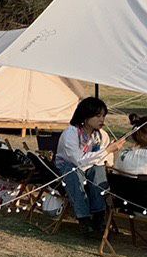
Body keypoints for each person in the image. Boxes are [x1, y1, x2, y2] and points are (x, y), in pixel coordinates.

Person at [54, 98, 126, 238]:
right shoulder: (71, 134)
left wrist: (108, 154)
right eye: (98, 116)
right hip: (68, 167)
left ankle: (99, 217)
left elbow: (103, 160)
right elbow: (78, 161)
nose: (102, 120)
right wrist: (107, 150)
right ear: (86, 116)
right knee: (73, 172)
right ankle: (84, 219)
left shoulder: (102, 135)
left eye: (103, 116)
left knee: (98, 170)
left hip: (90, 168)